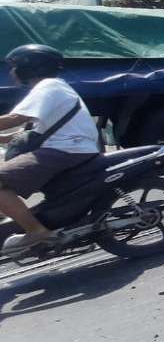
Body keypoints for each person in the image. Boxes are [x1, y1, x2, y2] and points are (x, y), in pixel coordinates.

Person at [0, 45, 101, 255]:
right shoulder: (54, 88)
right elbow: (23, 133)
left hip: (67, 150)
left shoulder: (48, 86)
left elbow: (14, 119)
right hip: (69, 148)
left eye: (15, 66)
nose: (11, 72)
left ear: (29, 66)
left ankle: (37, 231)